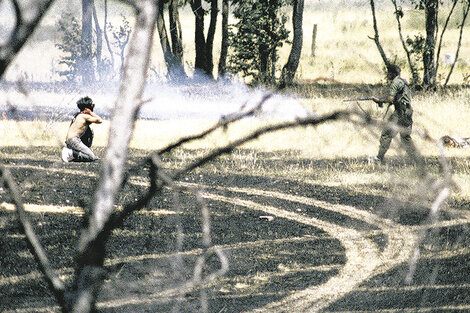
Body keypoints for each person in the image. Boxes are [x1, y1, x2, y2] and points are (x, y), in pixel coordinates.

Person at [371, 65, 419, 165]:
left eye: (388, 73)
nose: (387, 75)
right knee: (405, 137)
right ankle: (416, 160)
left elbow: (391, 99)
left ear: (392, 73)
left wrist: (380, 100)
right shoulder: (403, 81)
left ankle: (379, 158)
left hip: (400, 113)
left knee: (386, 134)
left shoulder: (395, 83)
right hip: (407, 111)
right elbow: (399, 98)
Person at [61, 96, 103, 162]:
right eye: (92, 105)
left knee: (90, 132)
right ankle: (71, 153)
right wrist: (90, 112)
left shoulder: (79, 115)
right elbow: (100, 120)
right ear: (87, 108)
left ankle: (74, 153)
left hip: (71, 140)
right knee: (91, 157)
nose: (93, 106)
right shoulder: (84, 116)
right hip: (74, 140)